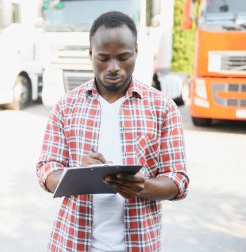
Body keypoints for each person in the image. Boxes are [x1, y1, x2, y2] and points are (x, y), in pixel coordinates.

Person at [36, 11, 189, 252]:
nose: (114, 67)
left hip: (139, 245)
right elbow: (46, 170)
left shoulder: (163, 108)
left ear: (137, 51)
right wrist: (77, 176)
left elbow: (178, 180)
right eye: (103, 58)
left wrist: (143, 187)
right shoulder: (66, 106)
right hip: (72, 244)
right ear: (90, 54)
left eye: (124, 57)